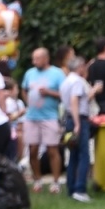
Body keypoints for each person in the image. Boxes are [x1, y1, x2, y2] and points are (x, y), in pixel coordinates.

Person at [21, 47, 66, 189]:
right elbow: (24, 89)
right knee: (32, 149)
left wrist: (49, 93)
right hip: (31, 117)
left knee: (52, 149)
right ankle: (37, 180)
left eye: (37, 59)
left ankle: (55, 182)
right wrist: (28, 102)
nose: (34, 62)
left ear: (46, 59)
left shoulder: (57, 73)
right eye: (33, 59)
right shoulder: (29, 73)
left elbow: (64, 94)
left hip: (50, 116)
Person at [59, 52, 93, 203]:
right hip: (78, 119)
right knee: (84, 155)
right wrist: (78, 123)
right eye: (84, 66)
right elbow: (74, 101)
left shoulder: (66, 81)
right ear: (79, 67)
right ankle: (80, 189)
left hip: (68, 118)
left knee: (73, 155)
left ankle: (71, 187)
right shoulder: (78, 81)